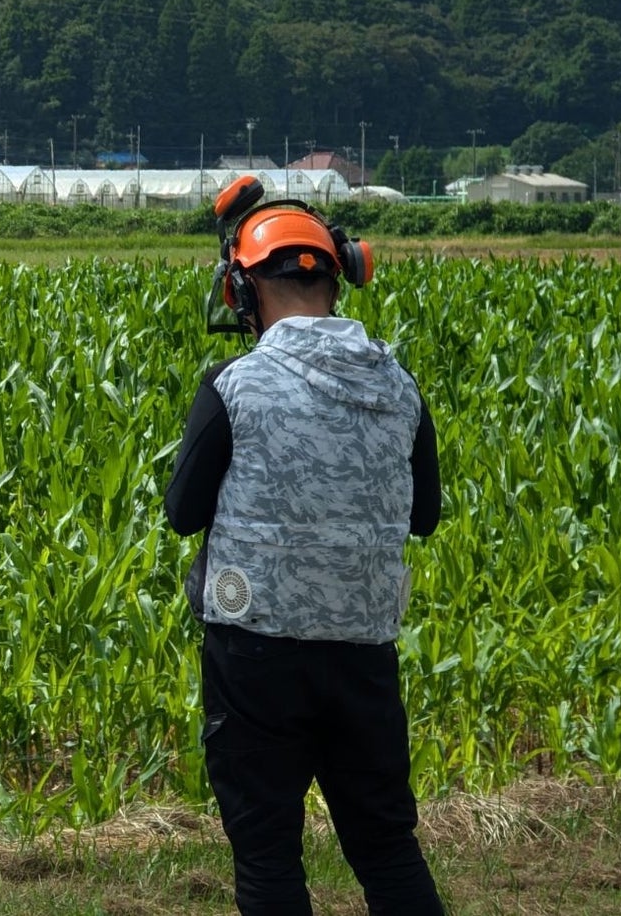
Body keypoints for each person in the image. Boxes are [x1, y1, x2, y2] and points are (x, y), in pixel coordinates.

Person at [165, 181, 446, 916]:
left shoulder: (234, 383)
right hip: (363, 654)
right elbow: (424, 519)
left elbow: (182, 513)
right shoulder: (400, 386)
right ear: (342, 276)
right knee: (386, 848)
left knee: (267, 858)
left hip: (254, 657)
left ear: (239, 287)